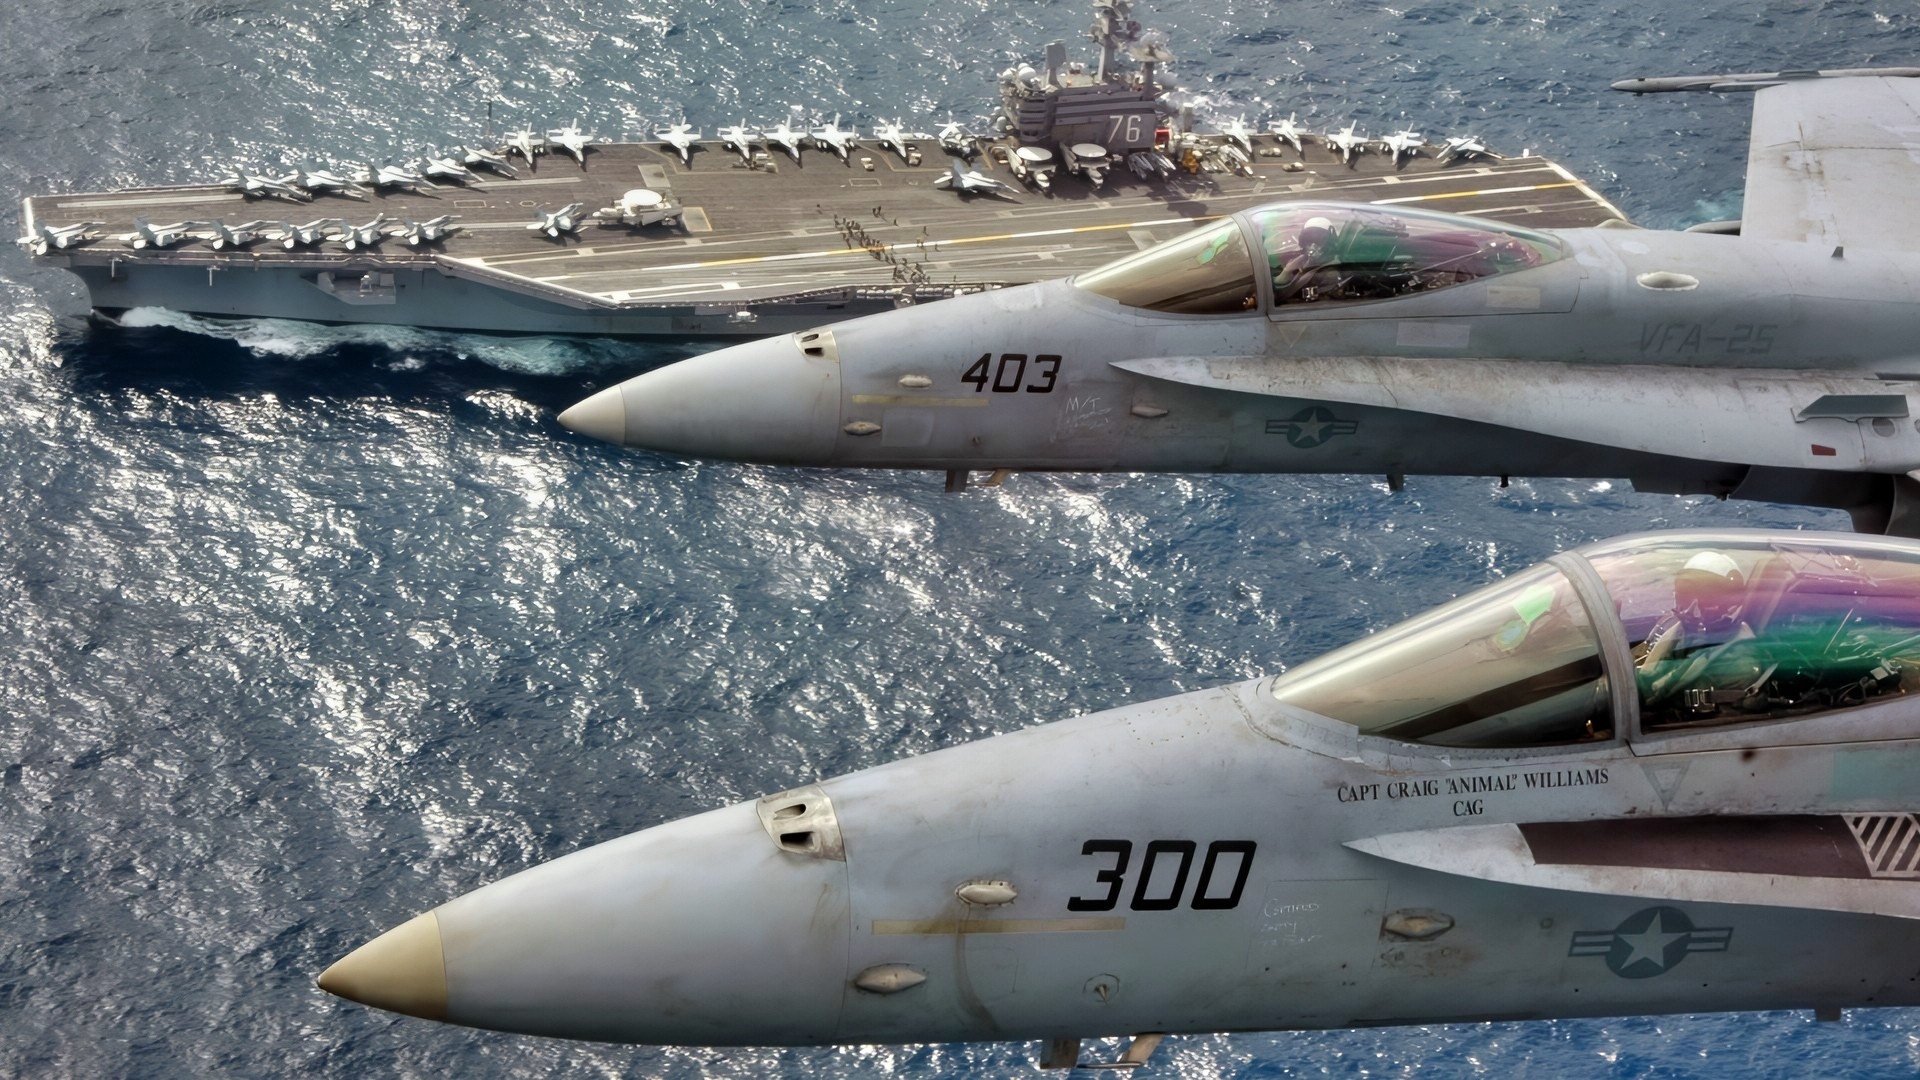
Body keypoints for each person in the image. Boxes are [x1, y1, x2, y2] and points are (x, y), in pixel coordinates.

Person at [1635, 550, 1765, 721]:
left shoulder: (1736, 662)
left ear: (1729, 603)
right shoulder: (1681, 634)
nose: (1693, 608)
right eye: (1687, 596)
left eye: (1707, 598)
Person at [1272, 215, 1340, 303]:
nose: (1312, 246)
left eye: (1319, 240)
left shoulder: (1330, 274)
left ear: (1329, 243)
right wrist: (1286, 272)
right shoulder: (1302, 263)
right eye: (1309, 240)